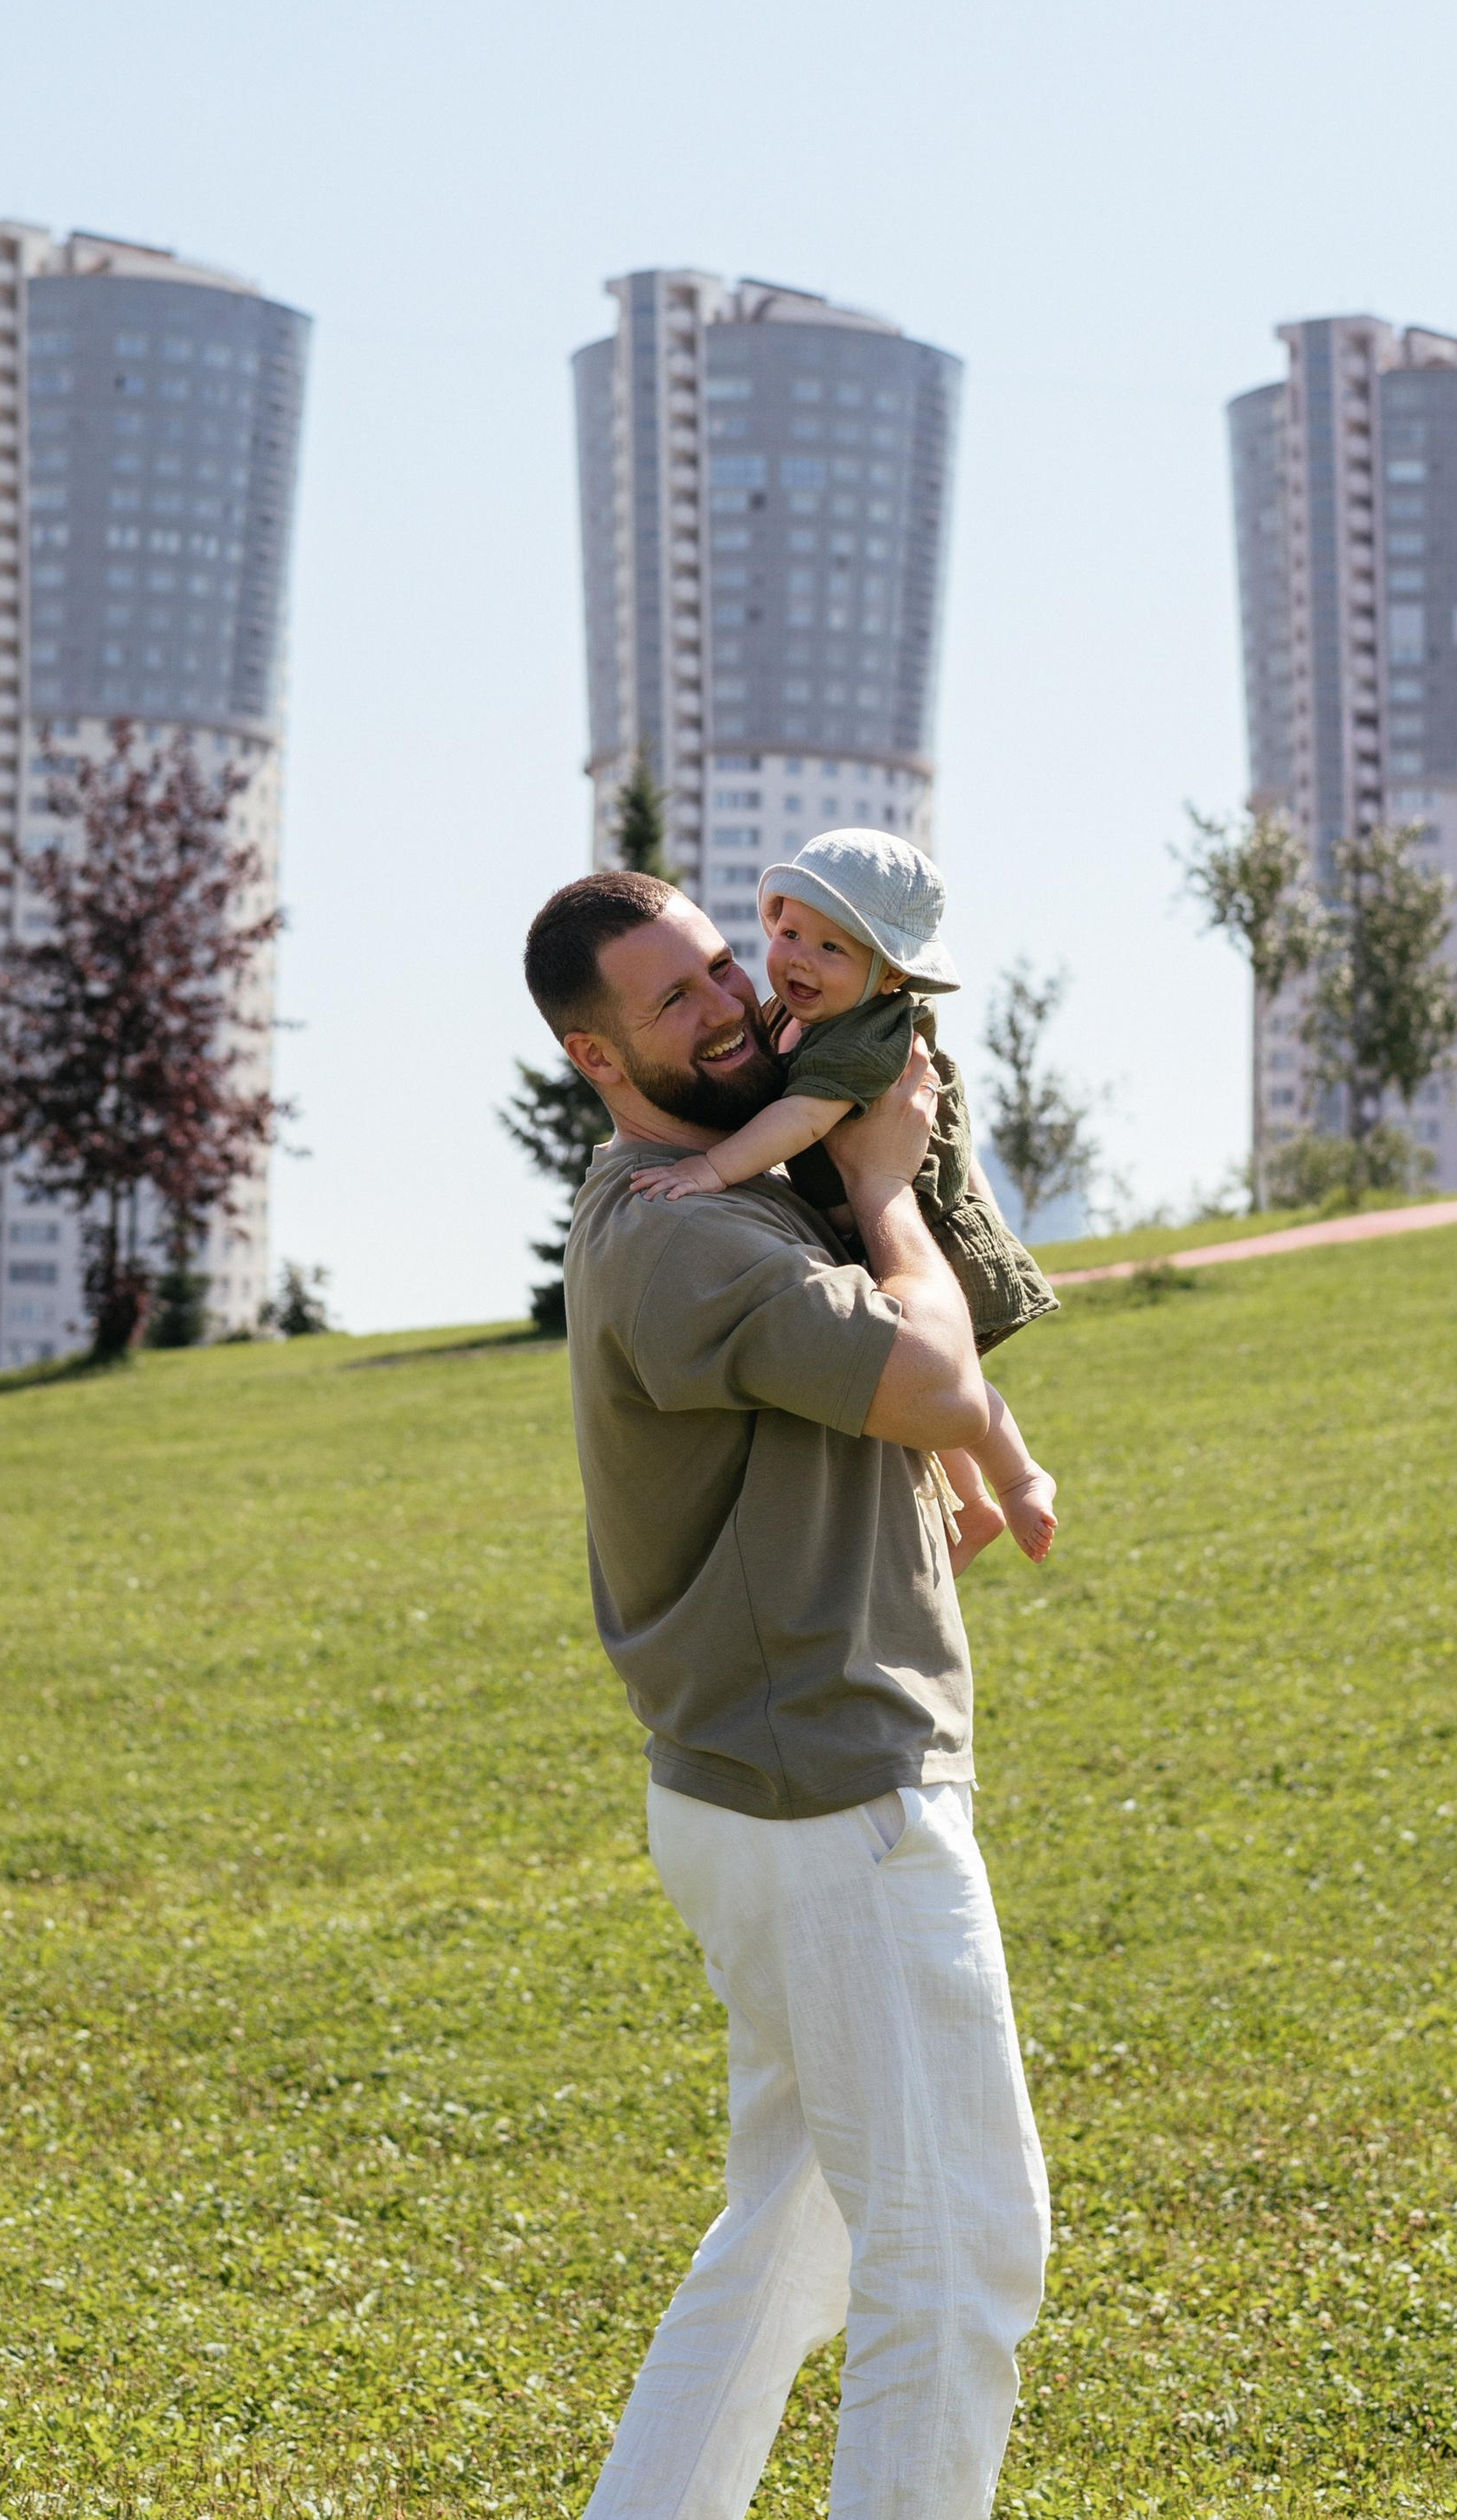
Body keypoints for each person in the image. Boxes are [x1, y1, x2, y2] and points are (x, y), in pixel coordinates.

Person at [524, 865, 1051, 2520]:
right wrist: (891, 1192)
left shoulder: (737, 1197)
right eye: (673, 1001)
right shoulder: (684, 1237)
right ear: (598, 1059)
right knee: (962, 2247)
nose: (734, 1001)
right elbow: (935, 1380)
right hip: (831, 1807)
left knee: (801, 2238)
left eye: (719, 964)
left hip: (769, 1793)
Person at [625, 829, 1059, 1565]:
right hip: (852, 1226)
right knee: (907, 1402)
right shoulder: (791, 1017)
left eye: (834, 950)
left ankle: (1018, 1480)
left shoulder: (867, 1038)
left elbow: (800, 1119)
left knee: (954, 1379)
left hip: (912, 1221)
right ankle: (974, 1508)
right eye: (792, 932)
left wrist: (711, 1172)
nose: (799, 959)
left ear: (889, 977)